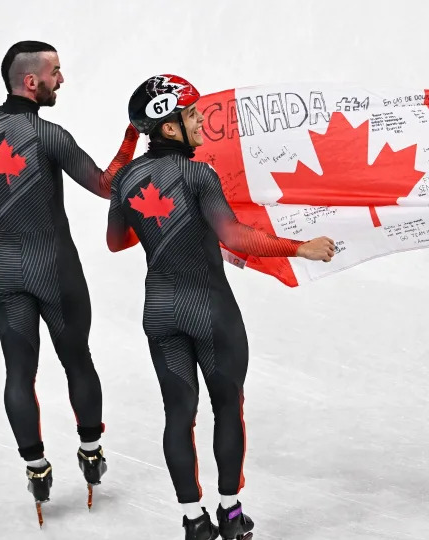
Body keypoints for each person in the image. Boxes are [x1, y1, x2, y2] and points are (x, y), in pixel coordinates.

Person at [108, 74, 335, 540]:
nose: (199, 123)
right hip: (209, 308)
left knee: (178, 413)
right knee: (227, 406)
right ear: (168, 127)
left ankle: (193, 521)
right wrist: (301, 248)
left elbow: (115, 241)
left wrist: (155, 222)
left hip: (160, 310)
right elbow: (233, 236)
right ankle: (230, 515)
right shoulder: (197, 174)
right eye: (190, 116)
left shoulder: (128, 179)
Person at [0, 40, 139, 519]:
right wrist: (132, 136)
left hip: (4, 268)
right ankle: (91, 451)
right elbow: (107, 185)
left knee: (18, 372)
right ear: (31, 81)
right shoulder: (51, 136)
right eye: (56, 72)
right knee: (77, 360)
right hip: (55, 269)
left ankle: (36, 466)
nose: (61, 80)